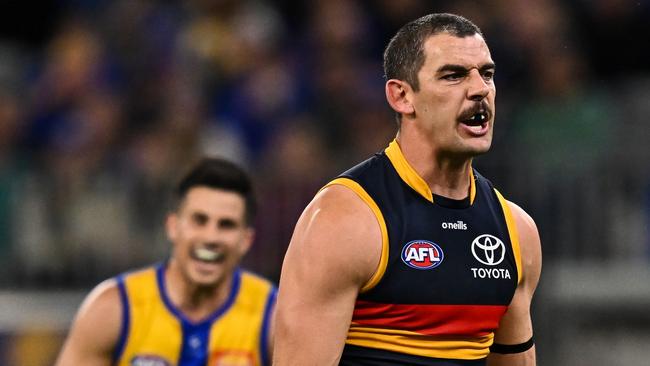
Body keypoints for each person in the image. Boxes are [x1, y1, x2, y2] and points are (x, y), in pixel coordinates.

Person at [273, 13, 542, 366]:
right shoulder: (344, 220)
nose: (480, 89)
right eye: (454, 75)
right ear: (401, 96)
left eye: (487, 74)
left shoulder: (516, 232)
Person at [55, 157, 277, 366]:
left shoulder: (273, 317)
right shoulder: (113, 308)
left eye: (226, 225)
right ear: (173, 226)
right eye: (199, 220)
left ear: (246, 240)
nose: (211, 237)